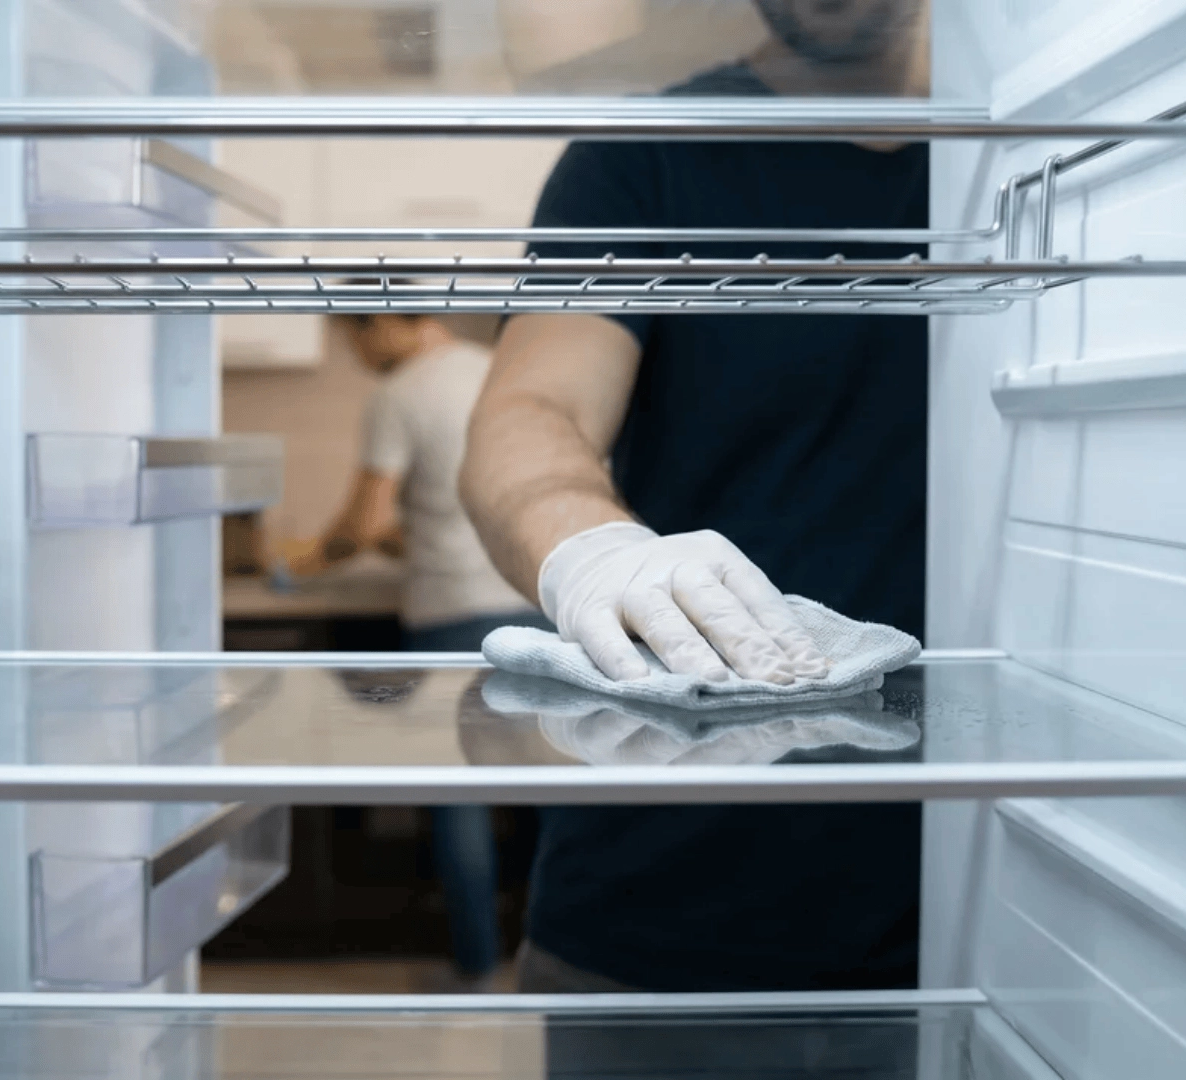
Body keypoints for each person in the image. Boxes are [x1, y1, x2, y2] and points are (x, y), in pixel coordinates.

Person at [458, 0, 930, 1059]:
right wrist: (593, 551)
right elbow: (533, 412)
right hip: (663, 907)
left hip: (990, 908)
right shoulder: (649, 156)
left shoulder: (1033, 150)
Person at [294, 305, 552, 986]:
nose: (354, 354)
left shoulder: (400, 392)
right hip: (534, 606)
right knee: (554, 789)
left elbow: (363, 524)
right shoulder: (503, 373)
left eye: (351, 336)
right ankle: (554, 956)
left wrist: (302, 565)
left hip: (453, 616)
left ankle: (475, 966)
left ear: (382, 323)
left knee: (455, 787)